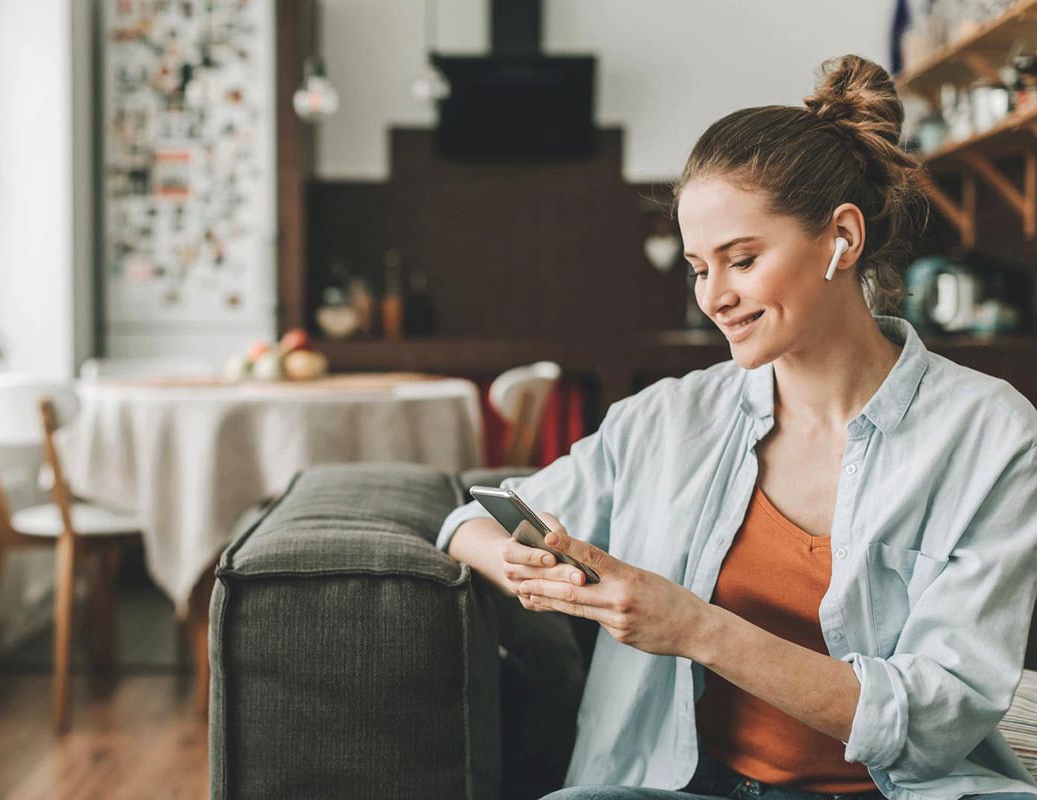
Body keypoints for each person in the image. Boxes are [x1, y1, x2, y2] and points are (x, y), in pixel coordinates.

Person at [436, 54, 1037, 800]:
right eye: (697, 267)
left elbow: (937, 718)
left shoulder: (991, 436)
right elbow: (469, 521)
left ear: (842, 239)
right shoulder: (670, 416)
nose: (714, 297)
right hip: (684, 786)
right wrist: (531, 568)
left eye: (742, 260)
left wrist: (697, 628)